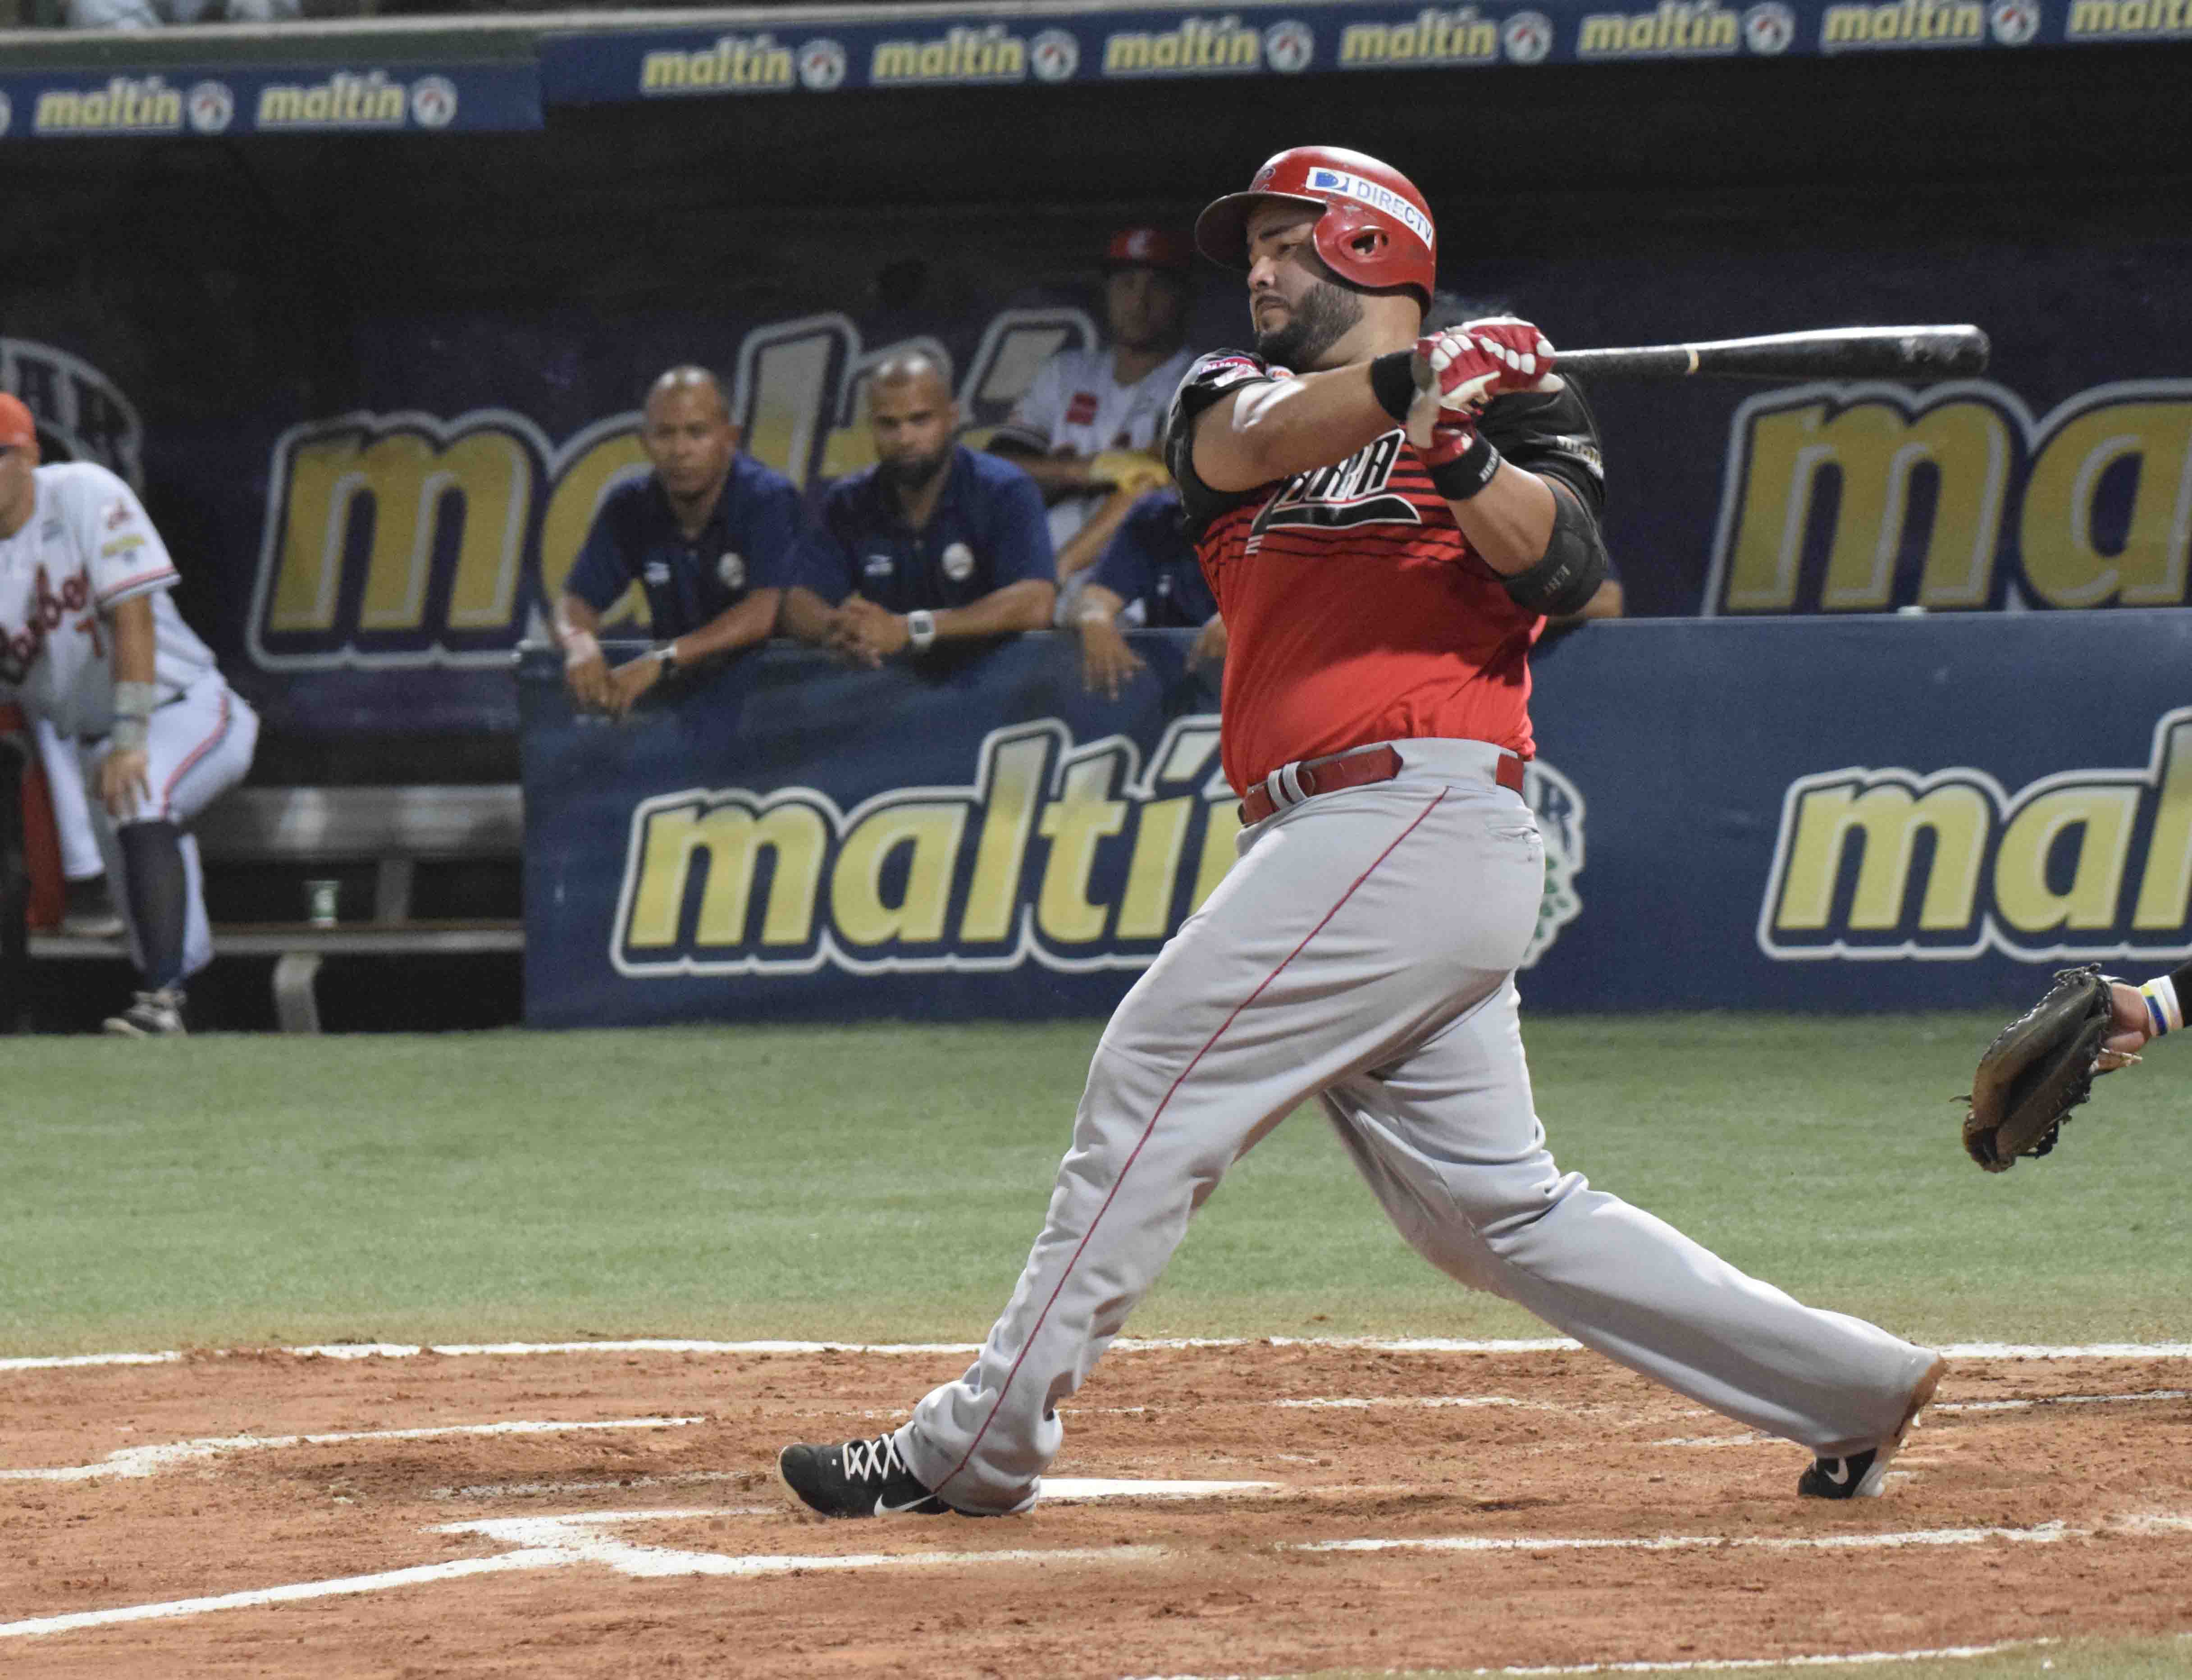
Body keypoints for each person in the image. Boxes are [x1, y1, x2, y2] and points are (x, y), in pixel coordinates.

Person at [778, 146, 1945, 1522]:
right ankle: (1851, 1387)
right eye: (1254, 250)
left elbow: (1559, 567)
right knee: (1492, 1218)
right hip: (1329, 836)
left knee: (1153, 1075)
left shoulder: (1533, 405)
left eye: (1286, 243)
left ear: (1374, 248)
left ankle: (978, 1444)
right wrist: (1417, 384)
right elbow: (1251, 447)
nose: (1257, 271)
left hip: (1419, 811)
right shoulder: (1226, 393)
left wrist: (1457, 438)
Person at [0, 392, 257, 1036]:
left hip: (187, 707)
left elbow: (131, 613)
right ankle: (184, 1012)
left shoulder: (82, 492)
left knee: (142, 798)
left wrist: (132, 735)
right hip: (94, 746)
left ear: (26, 454)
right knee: (162, 939)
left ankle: (165, 1002)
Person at [555, 367, 804, 718]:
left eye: (697, 432)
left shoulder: (769, 500)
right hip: (684, 709)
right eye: (664, 434)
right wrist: (579, 644)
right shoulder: (629, 507)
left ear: (730, 437)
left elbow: (764, 611)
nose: (680, 450)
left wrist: (663, 660)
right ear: (644, 441)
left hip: (775, 705)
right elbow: (577, 600)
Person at [782, 353, 1054, 666]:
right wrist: (838, 628)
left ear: (952, 418)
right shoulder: (849, 502)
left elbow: (1036, 601)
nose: (905, 439)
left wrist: (912, 628)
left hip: (996, 693)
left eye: (920, 420)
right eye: (888, 424)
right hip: (893, 696)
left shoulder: (1004, 490)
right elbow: (796, 602)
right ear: (871, 425)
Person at [988, 227, 1198, 619]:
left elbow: (1155, 481)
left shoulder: (1200, 377)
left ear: (1184, 296)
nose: (1139, 300)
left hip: (1133, 574)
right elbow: (999, 470)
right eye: (1126, 283)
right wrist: (1089, 469)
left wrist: (1057, 572)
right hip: (1047, 551)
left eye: (1158, 286)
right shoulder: (1065, 373)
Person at [1069, 488, 1225, 700]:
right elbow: (1097, 595)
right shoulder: (1156, 514)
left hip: (1260, 691)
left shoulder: (1274, 515)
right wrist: (1094, 617)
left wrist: (1246, 618)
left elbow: (1284, 607)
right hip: (1176, 694)